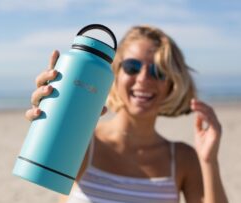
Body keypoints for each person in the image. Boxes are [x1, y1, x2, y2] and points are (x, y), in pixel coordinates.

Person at [25, 25, 228, 203]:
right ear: (115, 73)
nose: (143, 79)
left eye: (159, 72)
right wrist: (54, 104)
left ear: (172, 83)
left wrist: (209, 161)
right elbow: (39, 164)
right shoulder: (83, 143)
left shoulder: (183, 158)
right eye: (133, 67)